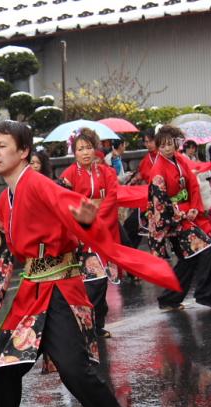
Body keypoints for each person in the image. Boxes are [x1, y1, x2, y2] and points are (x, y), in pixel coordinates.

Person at [0, 120, 179, 407]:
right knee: (2, 365)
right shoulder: (6, 198)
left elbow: (69, 204)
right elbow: (0, 248)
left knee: (74, 369)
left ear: (23, 152)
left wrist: (82, 217)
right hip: (31, 292)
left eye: (3, 146)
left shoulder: (38, 184)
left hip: (60, 288)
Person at [146, 125, 211, 310]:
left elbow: (192, 185)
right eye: (162, 146)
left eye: (169, 144)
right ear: (157, 147)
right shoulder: (157, 170)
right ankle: (205, 294)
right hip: (173, 219)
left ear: (175, 143)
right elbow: (160, 203)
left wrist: (195, 207)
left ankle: (169, 299)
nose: (167, 148)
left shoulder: (179, 159)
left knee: (189, 260)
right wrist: (180, 215)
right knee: (207, 248)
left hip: (186, 213)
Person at [57, 128, 120, 338]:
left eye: (88, 147)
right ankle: (86, 325)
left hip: (102, 230)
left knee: (101, 281)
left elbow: (112, 196)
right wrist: (83, 220)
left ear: (95, 149)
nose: (85, 152)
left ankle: (96, 324)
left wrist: (98, 217)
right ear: (74, 152)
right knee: (94, 281)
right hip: (81, 234)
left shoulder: (106, 172)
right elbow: (64, 204)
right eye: (80, 149)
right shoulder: (68, 175)